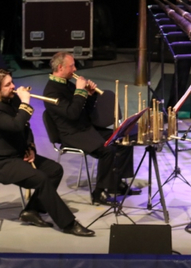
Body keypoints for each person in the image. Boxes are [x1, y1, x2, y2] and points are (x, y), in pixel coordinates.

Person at [0, 69, 94, 236]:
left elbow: (25, 128)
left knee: (54, 170)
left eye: (12, 82)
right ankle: (68, 224)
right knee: (41, 179)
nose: (13, 86)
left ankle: (31, 211)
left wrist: (30, 147)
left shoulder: (11, 99)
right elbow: (16, 125)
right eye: (8, 84)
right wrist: (25, 103)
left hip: (17, 154)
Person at [43, 52, 137, 206]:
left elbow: (82, 109)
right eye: (71, 66)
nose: (75, 69)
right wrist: (80, 91)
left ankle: (116, 183)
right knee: (107, 150)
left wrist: (90, 95)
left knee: (122, 138)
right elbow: (72, 114)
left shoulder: (66, 83)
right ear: (60, 67)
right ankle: (99, 192)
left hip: (85, 127)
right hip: (72, 133)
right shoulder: (52, 91)